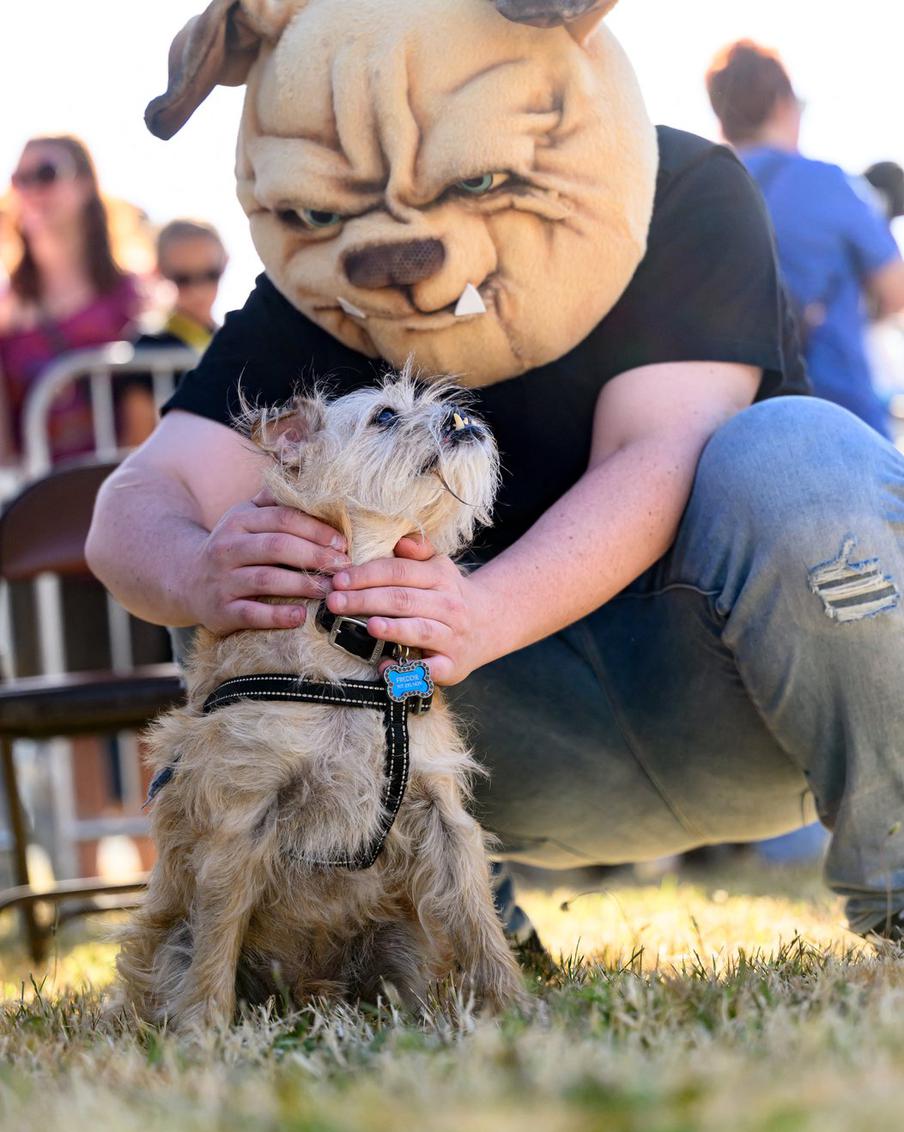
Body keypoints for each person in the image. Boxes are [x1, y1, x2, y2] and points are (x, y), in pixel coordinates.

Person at [88, 0, 904, 948]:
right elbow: (137, 505)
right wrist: (202, 570)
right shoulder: (325, 272)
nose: (403, 248)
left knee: (801, 451)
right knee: (253, 578)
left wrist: (472, 617)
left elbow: (658, 450)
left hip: (745, 706)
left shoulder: (679, 184)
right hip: (489, 758)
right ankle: (457, 932)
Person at [705, 40, 904, 439]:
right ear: (782, 103)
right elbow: (896, 289)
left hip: (727, 431)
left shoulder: (701, 189)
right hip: (840, 418)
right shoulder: (827, 182)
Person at [0, 135, 146, 465]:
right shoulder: (5, 311)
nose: (31, 189)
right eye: (19, 179)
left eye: (46, 173)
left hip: (121, 485)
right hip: (40, 501)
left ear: (84, 184)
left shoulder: (134, 296)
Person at [122, 218, 228, 447]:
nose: (199, 290)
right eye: (184, 279)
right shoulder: (148, 346)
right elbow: (137, 441)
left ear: (225, 264)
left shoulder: (231, 338)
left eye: (210, 274)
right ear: (161, 273)